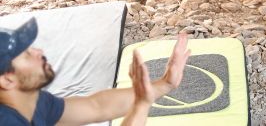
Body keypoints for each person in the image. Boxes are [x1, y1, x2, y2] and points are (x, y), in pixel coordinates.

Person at [0, 17, 190, 126]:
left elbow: (97, 106)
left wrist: (164, 85)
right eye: (26, 55)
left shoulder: (33, 101)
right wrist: (141, 105)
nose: (38, 52)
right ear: (7, 81)